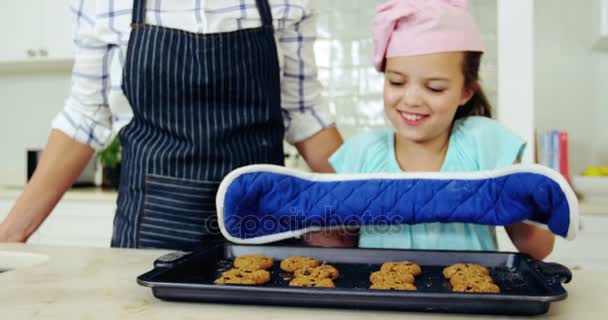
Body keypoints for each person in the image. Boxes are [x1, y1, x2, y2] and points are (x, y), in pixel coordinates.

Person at [0, 0, 346, 250]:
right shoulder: (102, 4)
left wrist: (373, 209)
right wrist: (9, 236)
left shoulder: (287, 3)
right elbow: (84, 119)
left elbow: (305, 114)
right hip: (149, 229)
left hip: (258, 226)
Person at [328, 0, 555, 260]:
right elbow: (336, 245)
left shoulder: (485, 144)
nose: (411, 99)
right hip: (381, 297)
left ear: (466, 92)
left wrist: (529, 200)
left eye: (434, 87)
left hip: (470, 298)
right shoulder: (361, 153)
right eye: (397, 82)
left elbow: (539, 248)